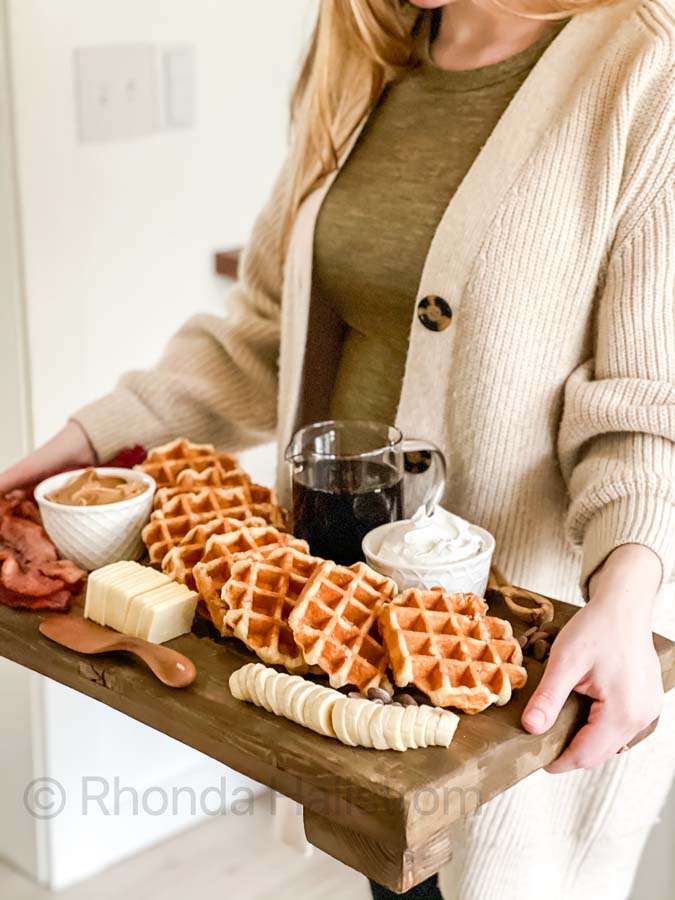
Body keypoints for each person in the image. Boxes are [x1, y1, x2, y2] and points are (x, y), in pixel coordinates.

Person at [3, 0, 675, 897]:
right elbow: (264, 334)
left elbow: (646, 400)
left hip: (525, 664)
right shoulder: (367, 55)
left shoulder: (642, 64)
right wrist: (77, 446)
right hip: (341, 624)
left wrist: (626, 591)